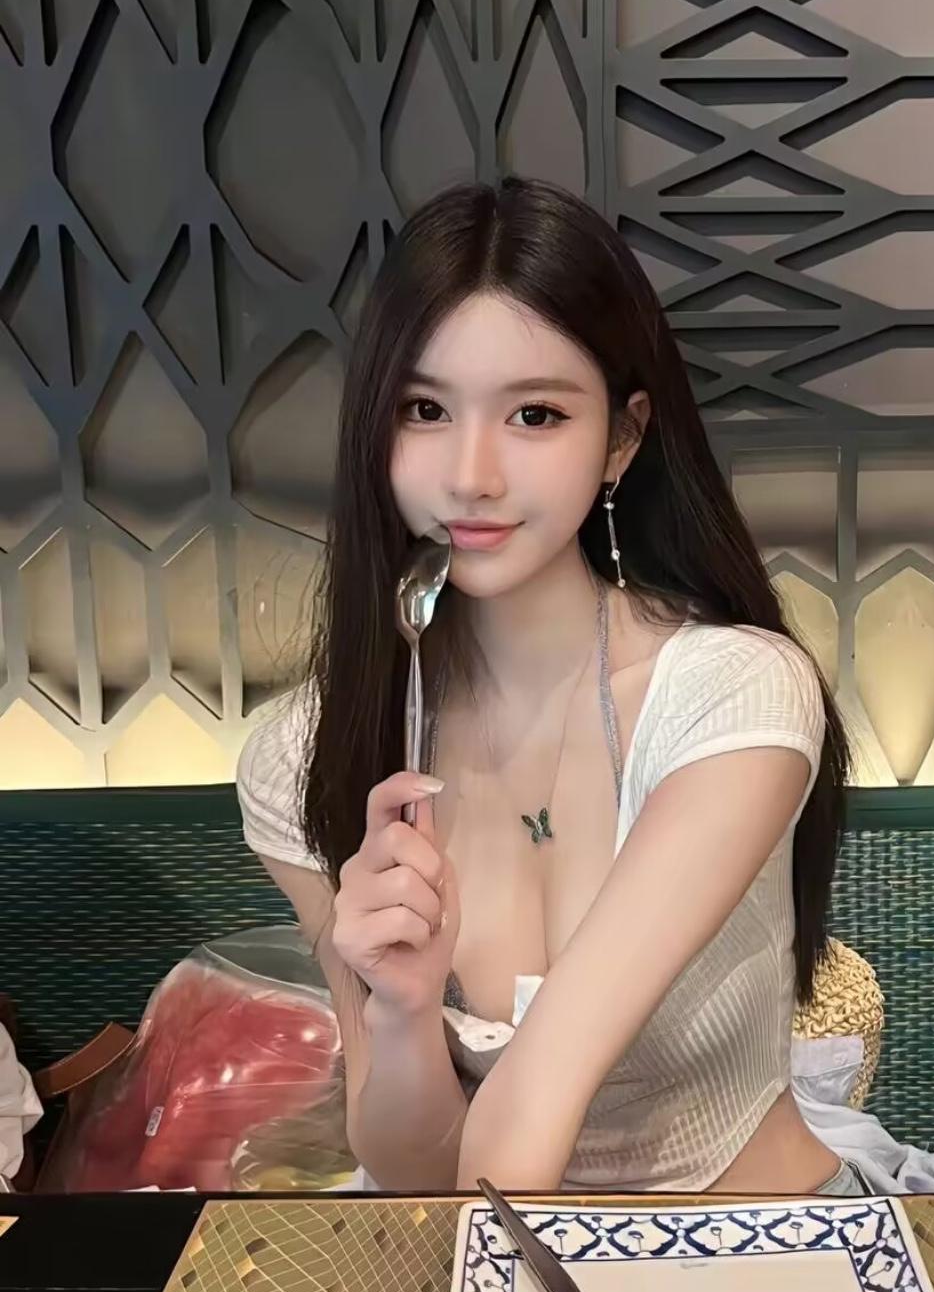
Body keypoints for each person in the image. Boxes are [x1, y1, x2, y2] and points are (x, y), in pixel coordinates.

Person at [236, 175, 861, 1197]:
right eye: (425, 409)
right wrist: (402, 1008)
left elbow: (525, 1116)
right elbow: (410, 1169)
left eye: (534, 413)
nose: (471, 474)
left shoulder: (732, 700)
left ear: (621, 437)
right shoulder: (303, 758)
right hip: (498, 1239)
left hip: (757, 1250)